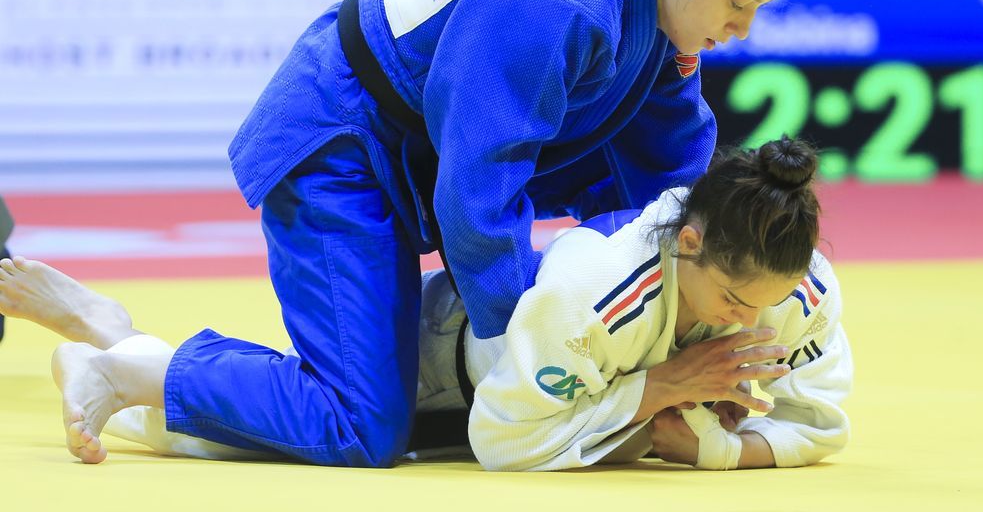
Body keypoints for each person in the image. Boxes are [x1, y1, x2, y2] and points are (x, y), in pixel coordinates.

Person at [24, 0, 830, 467]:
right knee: (365, 425)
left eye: (759, 7)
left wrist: (694, 335)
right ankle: (126, 364)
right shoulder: (560, 1)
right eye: (740, 1)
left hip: (422, 148)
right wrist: (524, 341)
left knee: (445, 406)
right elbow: (479, 187)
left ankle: (116, 337)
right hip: (341, 143)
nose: (743, 28)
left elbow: (673, 193)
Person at [0, 137, 851, 470]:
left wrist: (719, 452)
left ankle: (108, 335)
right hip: (451, 368)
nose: (750, 323)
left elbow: (822, 421)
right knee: (295, 433)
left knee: (301, 417)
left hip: (537, 387)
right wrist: (660, 391)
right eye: (731, 299)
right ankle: (117, 356)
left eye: (767, 304)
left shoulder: (796, 285)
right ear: (689, 243)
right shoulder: (595, 292)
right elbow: (504, 439)